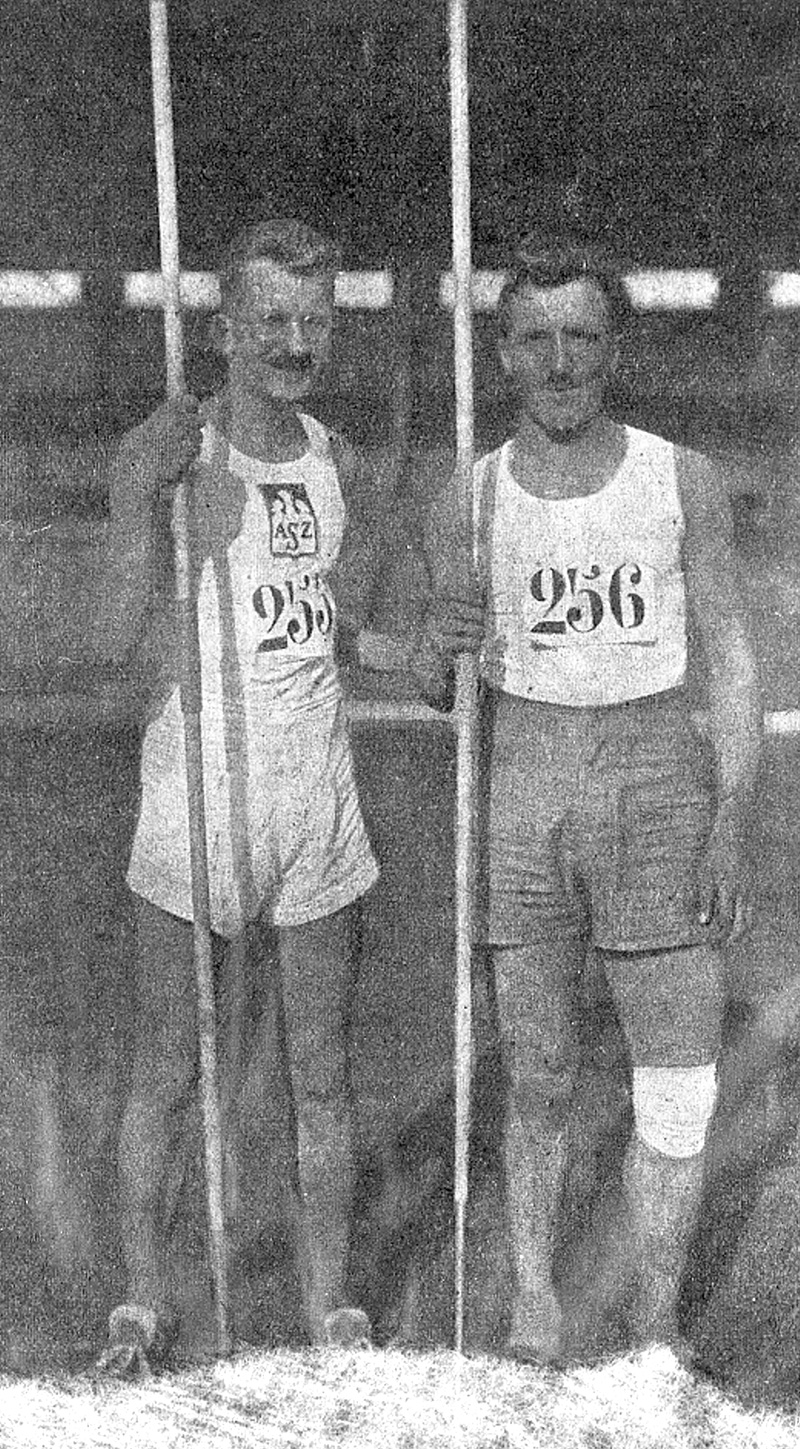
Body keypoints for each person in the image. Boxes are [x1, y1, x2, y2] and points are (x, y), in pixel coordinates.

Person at [406, 238, 761, 1364]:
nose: (559, 362)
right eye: (534, 340)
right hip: (525, 777)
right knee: (540, 1072)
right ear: (502, 356)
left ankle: (653, 1327)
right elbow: (432, 680)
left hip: (657, 771)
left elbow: (737, 657)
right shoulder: (466, 498)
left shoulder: (676, 476)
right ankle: (534, 1315)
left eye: (581, 338)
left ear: (613, 349)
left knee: (677, 1080)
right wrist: (437, 642)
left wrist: (732, 817)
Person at [90, 217, 409, 1373]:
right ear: (224, 330)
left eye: (311, 322)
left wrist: (416, 655)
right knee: (167, 1070)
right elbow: (110, 637)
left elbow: (331, 630)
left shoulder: (338, 463)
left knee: (321, 1074)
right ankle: (139, 1297)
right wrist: (139, 501)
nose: (291, 342)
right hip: (191, 802)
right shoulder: (168, 455)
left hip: (311, 803)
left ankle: (334, 1307)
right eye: (269, 320)